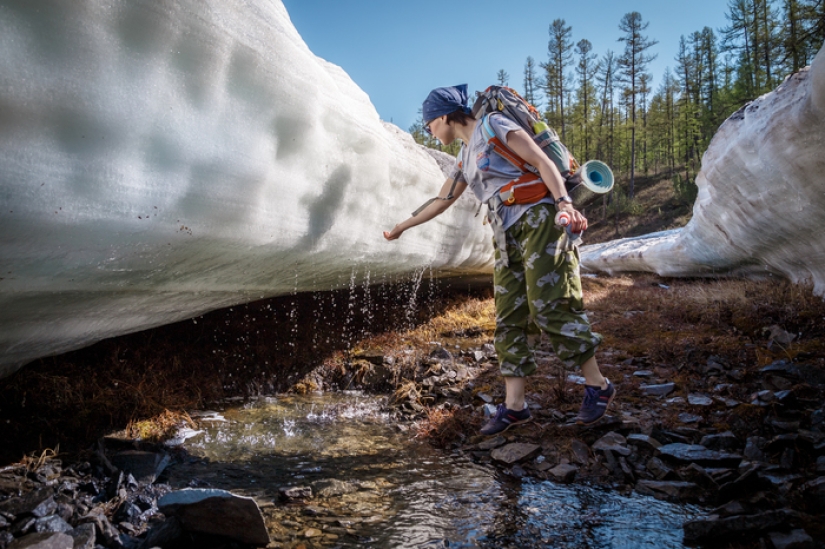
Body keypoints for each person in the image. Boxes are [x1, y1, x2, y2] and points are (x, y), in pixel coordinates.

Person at [384, 84, 615, 436]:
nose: (429, 130)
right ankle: (515, 407)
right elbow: (442, 199)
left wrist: (565, 203)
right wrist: (402, 226)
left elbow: (540, 161)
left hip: (540, 221)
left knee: (550, 306)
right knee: (509, 316)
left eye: (430, 122)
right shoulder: (464, 156)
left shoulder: (494, 126)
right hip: (505, 235)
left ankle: (598, 386)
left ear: (446, 116)